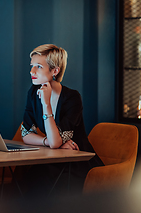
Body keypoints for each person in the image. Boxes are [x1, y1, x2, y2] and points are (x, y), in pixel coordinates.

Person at [18, 44, 103, 197]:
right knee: (24, 179)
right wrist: (46, 141)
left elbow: (56, 142)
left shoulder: (72, 98)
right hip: (51, 160)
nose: (32, 72)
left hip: (77, 163)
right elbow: (26, 134)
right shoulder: (33, 92)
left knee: (44, 186)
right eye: (32, 66)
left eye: (38, 66)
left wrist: (46, 104)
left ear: (55, 71)